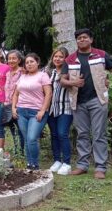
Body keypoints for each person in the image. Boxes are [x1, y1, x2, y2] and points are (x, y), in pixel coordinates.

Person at [60, 28, 112, 179]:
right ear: (77, 41)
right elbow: (62, 80)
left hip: (97, 100)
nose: (82, 40)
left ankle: (100, 167)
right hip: (78, 102)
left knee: (99, 134)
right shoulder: (70, 59)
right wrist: (73, 82)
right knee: (82, 134)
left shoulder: (101, 56)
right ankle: (82, 165)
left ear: (91, 40)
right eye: (79, 38)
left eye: (85, 37)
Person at [12, 53, 52, 170]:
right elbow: (16, 94)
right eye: (27, 62)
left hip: (37, 112)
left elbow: (48, 94)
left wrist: (42, 111)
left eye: (32, 62)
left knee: (32, 138)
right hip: (21, 112)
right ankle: (29, 164)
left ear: (37, 62)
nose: (29, 64)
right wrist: (14, 108)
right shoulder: (22, 77)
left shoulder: (43, 75)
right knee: (26, 138)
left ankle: (34, 164)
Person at [46, 47, 73, 175]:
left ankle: (66, 163)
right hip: (52, 109)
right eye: (55, 56)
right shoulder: (48, 72)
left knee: (63, 134)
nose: (57, 59)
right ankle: (57, 160)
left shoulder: (70, 72)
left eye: (61, 57)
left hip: (66, 108)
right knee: (54, 135)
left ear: (66, 58)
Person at [3, 50, 25, 155]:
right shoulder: (7, 74)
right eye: (9, 58)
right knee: (13, 131)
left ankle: (21, 152)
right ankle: (18, 151)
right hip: (7, 106)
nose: (11, 60)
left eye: (14, 58)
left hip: (19, 105)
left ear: (19, 60)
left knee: (21, 130)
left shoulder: (23, 72)